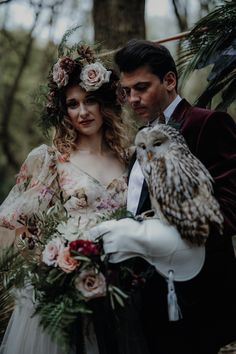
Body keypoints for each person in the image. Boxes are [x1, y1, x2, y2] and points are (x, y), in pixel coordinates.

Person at [89, 39, 236, 354]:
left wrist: (168, 238)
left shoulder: (207, 123)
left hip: (197, 297)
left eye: (141, 87)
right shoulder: (142, 140)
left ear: (170, 80)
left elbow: (230, 210)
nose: (133, 99)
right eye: (127, 91)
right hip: (149, 295)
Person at [0, 43, 135, 354]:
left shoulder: (130, 158)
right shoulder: (52, 161)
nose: (83, 112)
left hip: (121, 284)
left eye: (89, 101)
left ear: (104, 103)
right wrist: (50, 260)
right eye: (73, 104)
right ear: (64, 111)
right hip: (66, 283)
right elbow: (22, 230)